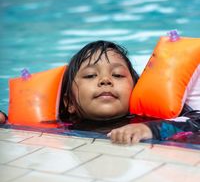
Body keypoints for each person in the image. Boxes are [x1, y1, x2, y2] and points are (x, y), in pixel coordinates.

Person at [1, 40, 200, 144]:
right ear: (69, 102)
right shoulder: (62, 124)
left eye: (118, 75)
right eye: (90, 76)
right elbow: (22, 128)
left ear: (135, 90)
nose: (106, 80)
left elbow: (196, 121)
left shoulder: (151, 117)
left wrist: (149, 129)